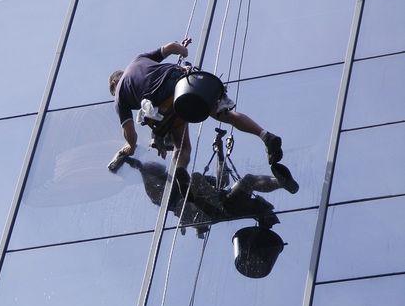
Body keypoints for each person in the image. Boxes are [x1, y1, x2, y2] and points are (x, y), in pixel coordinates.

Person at [108, 41, 285, 176]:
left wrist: (129, 148)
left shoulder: (119, 95)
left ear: (115, 83)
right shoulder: (138, 60)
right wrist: (183, 50)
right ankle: (265, 135)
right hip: (183, 81)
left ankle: (179, 179)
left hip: (163, 101)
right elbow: (170, 47)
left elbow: (131, 135)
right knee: (223, 114)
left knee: (182, 147)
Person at [188, 162, 299, 228]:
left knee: (248, 180)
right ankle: (281, 183)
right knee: (248, 181)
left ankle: (282, 182)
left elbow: (222, 182)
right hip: (223, 208)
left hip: (225, 203)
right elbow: (197, 222)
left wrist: (220, 150)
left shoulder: (196, 187)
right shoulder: (189, 198)